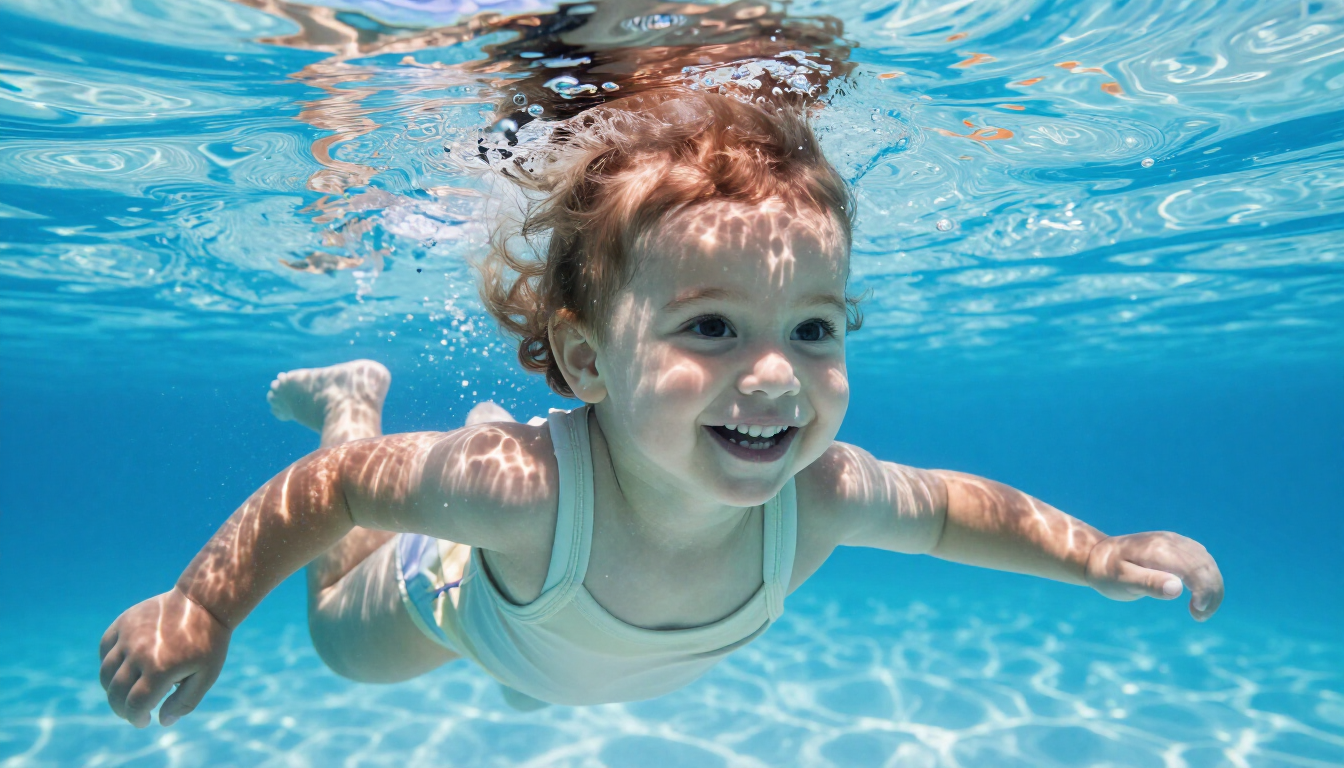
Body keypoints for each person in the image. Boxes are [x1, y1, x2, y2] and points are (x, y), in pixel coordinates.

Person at [98, 90, 1224, 728]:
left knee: (533, 687)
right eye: (714, 328)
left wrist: (1095, 553)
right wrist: (204, 605)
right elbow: (332, 492)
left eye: (814, 330)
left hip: (558, 647)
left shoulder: (819, 494)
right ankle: (355, 398)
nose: (777, 379)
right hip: (465, 604)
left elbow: (948, 510)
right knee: (341, 634)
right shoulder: (525, 493)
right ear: (586, 361)